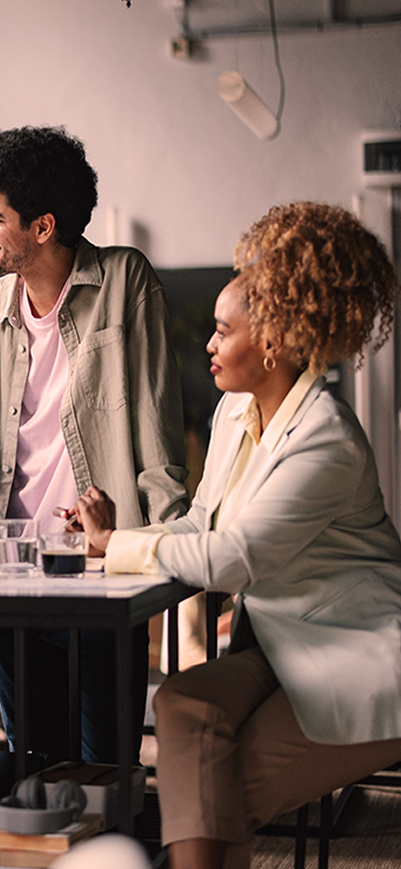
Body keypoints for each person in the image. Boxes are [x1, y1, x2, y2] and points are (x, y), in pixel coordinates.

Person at [71, 202, 401, 869]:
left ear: (272, 342)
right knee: (186, 702)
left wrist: (119, 550)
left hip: (358, 658)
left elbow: (235, 558)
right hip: (285, 645)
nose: (209, 346)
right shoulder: (235, 412)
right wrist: (117, 536)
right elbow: (205, 522)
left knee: (210, 791)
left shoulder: (326, 440)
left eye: (223, 333)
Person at [0, 126, 188, 764]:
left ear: (42, 227)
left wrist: (170, 550)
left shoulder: (124, 282)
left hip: (94, 573)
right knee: (31, 765)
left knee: (105, 767)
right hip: (4, 570)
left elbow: (155, 423)